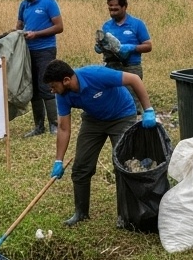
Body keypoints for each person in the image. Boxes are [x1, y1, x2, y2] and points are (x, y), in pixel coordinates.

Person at [44, 59, 157, 226]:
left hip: (122, 115)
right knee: (81, 167)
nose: (52, 90)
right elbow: (63, 128)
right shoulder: (62, 95)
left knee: (122, 164)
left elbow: (134, 79)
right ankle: (81, 213)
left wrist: (148, 110)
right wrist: (58, 161)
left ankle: (126, 215)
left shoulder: (96, 75)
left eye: (53, 86)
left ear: (66, 80)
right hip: (93, 120)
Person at [14, 0, 64, 137]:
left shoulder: (48, 3)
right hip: (28, 51)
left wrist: (36, 34)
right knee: (33, 87)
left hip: (45, 49)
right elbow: (19, 25)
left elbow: (59, 27)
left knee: (46, 85)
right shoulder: (24, 4)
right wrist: (16, 34)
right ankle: (38, 126)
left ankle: (54, 124)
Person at [98, 0, 151, 108]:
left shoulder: (137, 24)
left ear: (124, 7)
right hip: (112, 66)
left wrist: (131, 48)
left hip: (131, 67)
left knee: (132, 101)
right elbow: (104, 43)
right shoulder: (106, 26)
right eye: (110, 9)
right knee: (113, 100)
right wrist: (100, 47)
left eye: (116, 9)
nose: (112, 12)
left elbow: (148, 46)